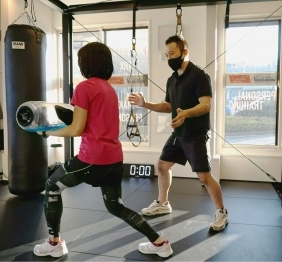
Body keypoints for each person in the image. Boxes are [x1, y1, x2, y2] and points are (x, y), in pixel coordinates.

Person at [33, 42, 173, 258]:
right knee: (116, 207)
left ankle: (54, 243)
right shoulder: (109, 89)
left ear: (86, 63)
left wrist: (47, 133)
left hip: (91, 159)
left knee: (52, 186)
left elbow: (77, 129)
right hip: (114, 158)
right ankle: (159, 242)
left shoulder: (84, 87)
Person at [128, 35, 228, 231]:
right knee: (163, 165)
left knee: (204, 176)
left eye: (172, 53)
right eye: (166, 55)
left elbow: (206, 105)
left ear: (185, 52)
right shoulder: (172, 80)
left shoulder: (199, 75)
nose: (169, 58)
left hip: (195, 134)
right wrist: (145, 103)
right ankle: (163, 203)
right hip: (178, 134)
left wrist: (186, 114)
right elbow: (169, 106)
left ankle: (221, 212)